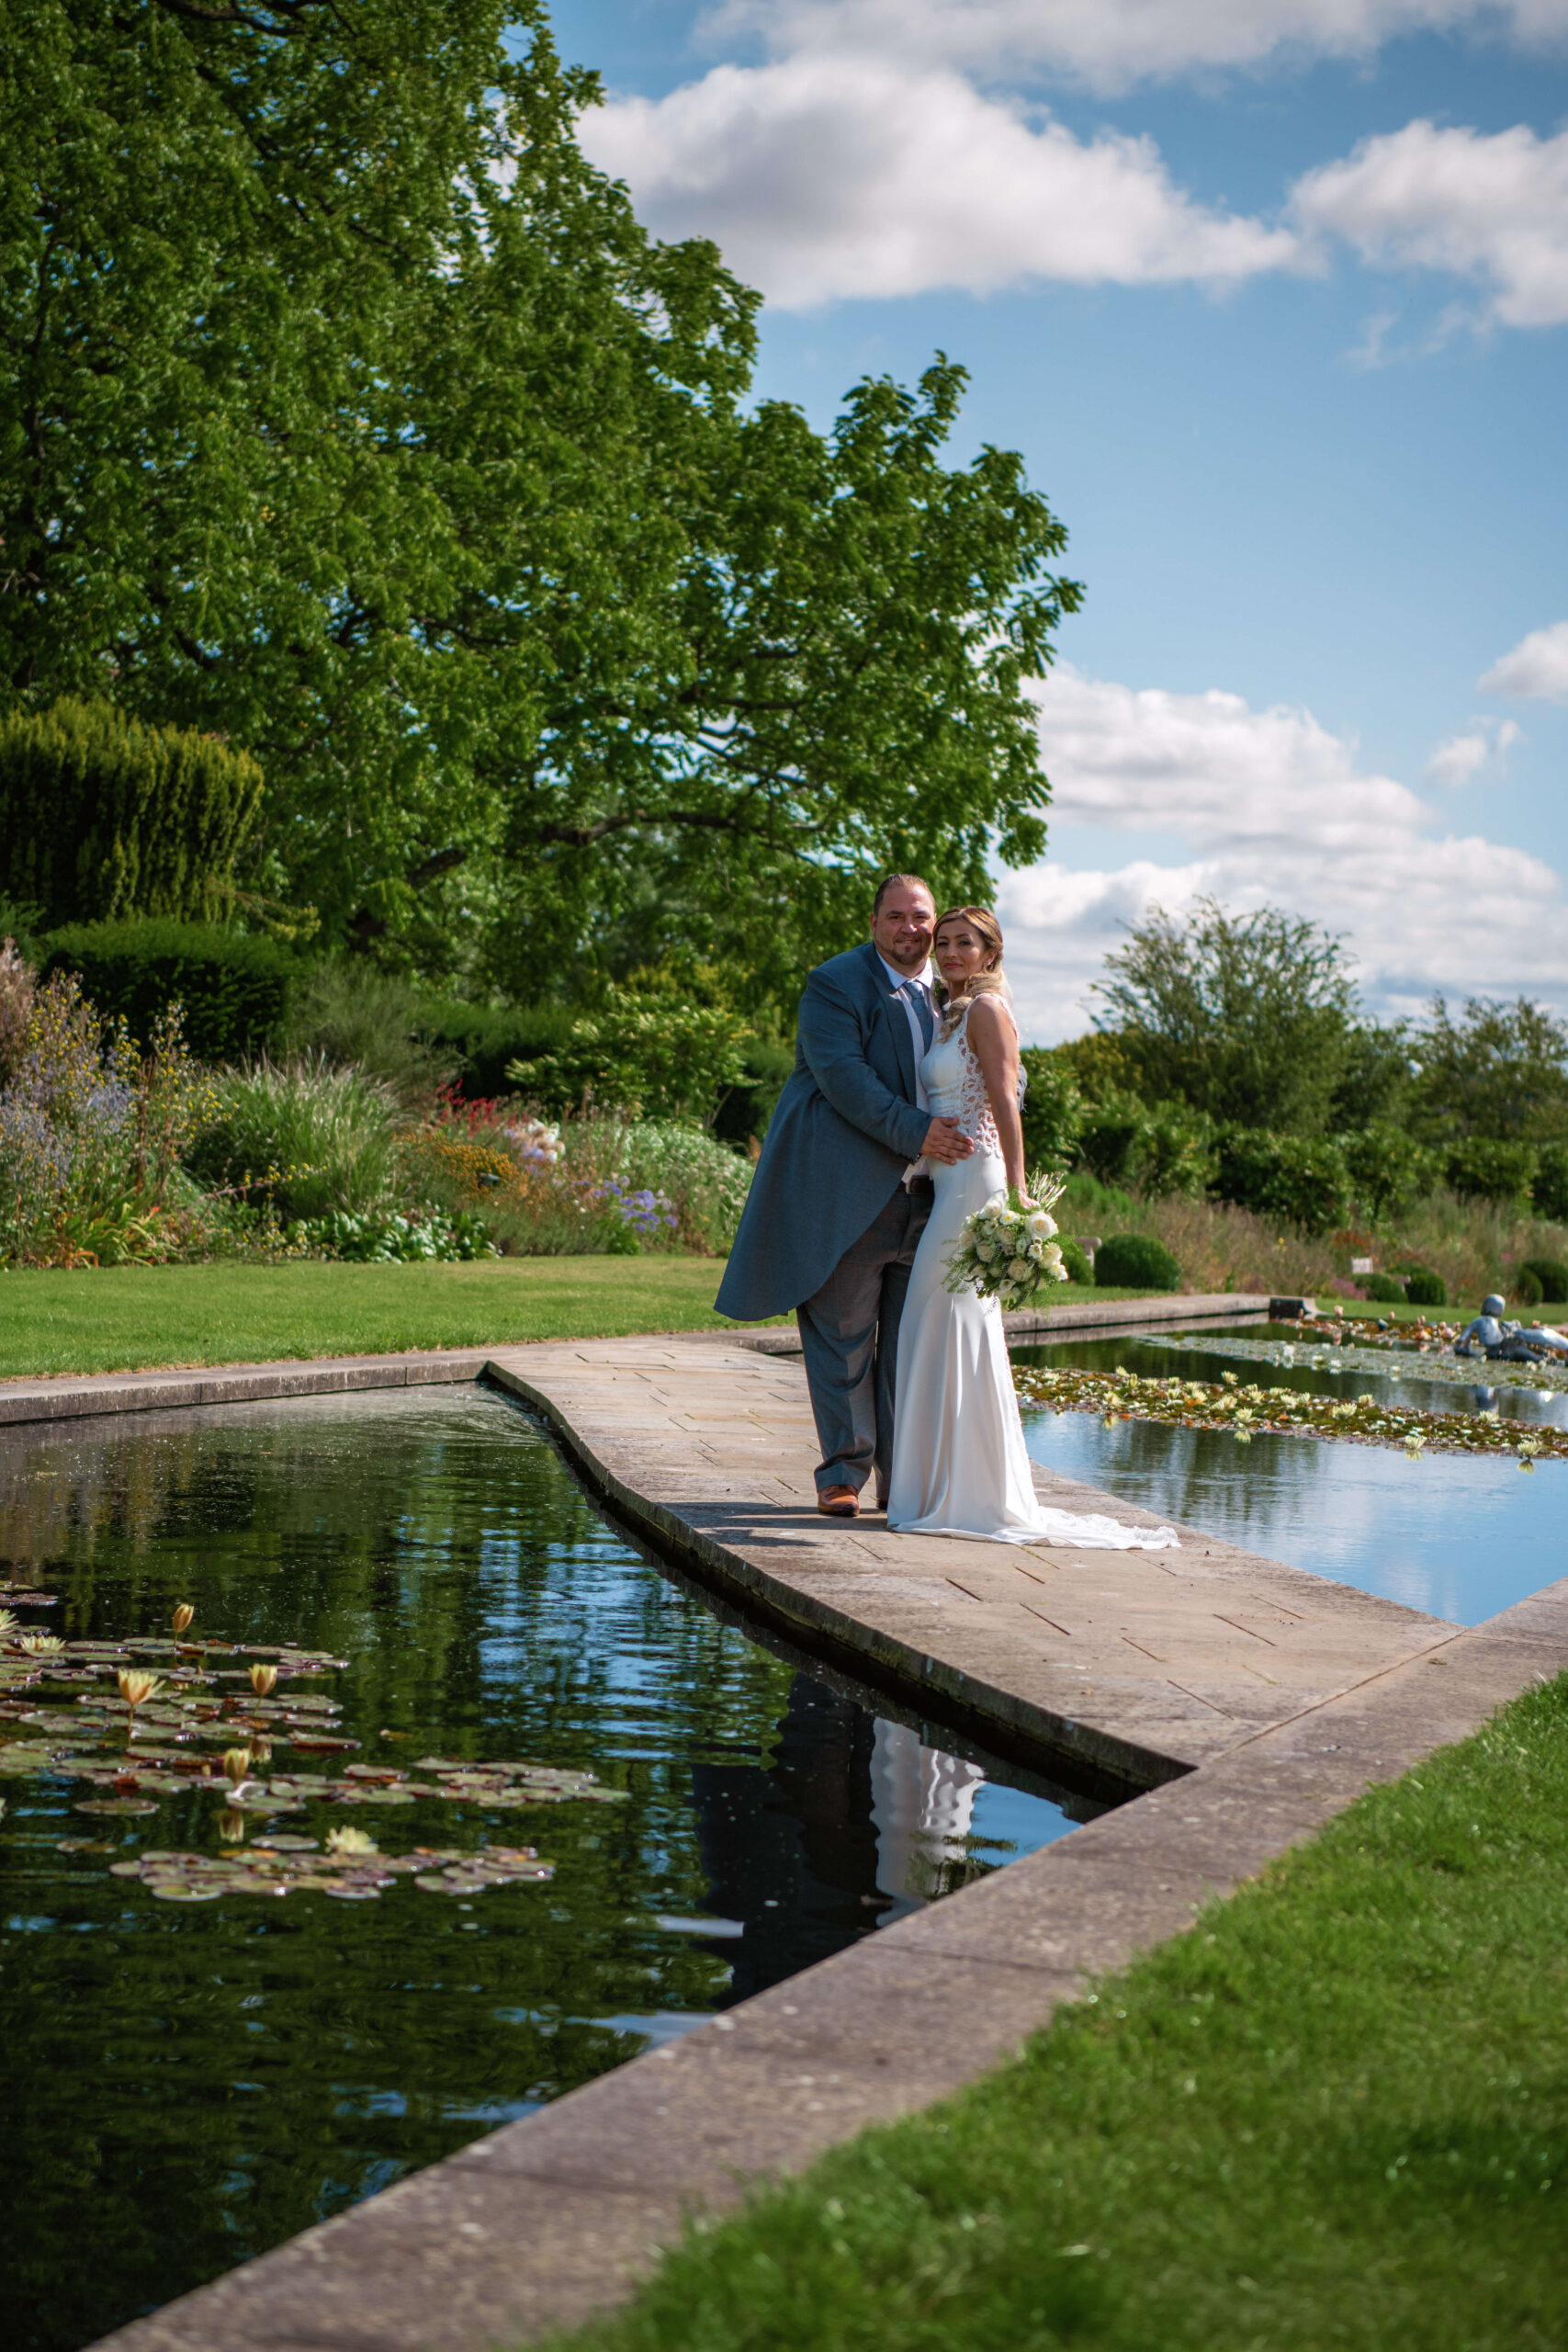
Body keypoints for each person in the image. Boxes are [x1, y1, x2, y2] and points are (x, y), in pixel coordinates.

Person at [884, 906, 1179, 1551]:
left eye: (966, 944)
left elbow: (1003, 1099)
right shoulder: (948, 1013)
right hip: (947, 1183)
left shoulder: (987, 1013)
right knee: (936, 1326)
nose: (951, 953)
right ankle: (937, 1488)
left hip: (978, 1185)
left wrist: (1016, 1191)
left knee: (954, 1324)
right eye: (944, 944)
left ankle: (968, 1495)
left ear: (991, 954)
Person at [716, 875, 975, 1516]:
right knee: (843, 1338)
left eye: (921, 917)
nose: (910, 929)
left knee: (910, 1349)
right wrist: (920, 1132)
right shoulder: (835, 983)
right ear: (873, 922)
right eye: (896, 917)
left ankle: (903, 1480)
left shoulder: (952, 994)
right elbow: (844, 1079)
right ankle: (841, 1476)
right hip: (849, 1195)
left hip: (933, 1197)